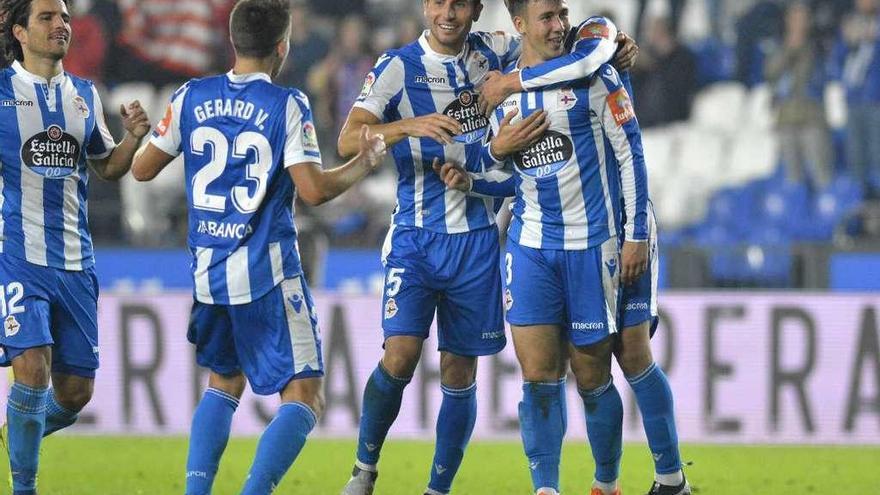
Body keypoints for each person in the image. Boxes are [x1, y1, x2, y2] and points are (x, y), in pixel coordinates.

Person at [336, 1, 636, 494]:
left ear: (476, 9)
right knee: (401, 355)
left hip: (477, 241)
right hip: (415, 234)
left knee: (459, 371)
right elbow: (349, 139)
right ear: (425, 6)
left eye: (459, 3)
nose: (448, 13)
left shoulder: (495, 50)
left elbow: (558, 35)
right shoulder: (396, 67)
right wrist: (406, 127)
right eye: (438, 2)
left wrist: (614, 43)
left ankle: (438, 489)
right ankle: (364, 470)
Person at [130, 1, 387, 493]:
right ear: (282, 47)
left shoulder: (191, 95)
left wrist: (142, 134)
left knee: (223, 382)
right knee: (305, 396)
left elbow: (142, 170)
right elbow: (312, 191)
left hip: (208, 274)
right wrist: (363, 164)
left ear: (233, 41)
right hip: (266, 272)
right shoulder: (286, 104)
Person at [437, 2, 678, 494]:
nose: (559, 25)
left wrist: (635, 235)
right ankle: (546, 488)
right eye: (546, 16)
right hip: (531, 248)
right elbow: (514, 178)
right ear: (519, 25)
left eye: (562, 13)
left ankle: (614, 483)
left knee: (601, 370)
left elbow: (631, 152)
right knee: (538, 376)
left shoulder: (595, 64)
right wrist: (477, 175)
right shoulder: (500, 95)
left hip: (596, 242)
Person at [0, 0, 150, 493]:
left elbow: (107, 166)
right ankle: (25, 487)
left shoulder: (84, 95)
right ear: (19, 31)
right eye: (47, 17)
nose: (61, 25)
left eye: (64, 16)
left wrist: (132, 139)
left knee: (75, 391)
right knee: (33, 367)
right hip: (17, 255)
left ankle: (17, 432)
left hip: (75, 261)